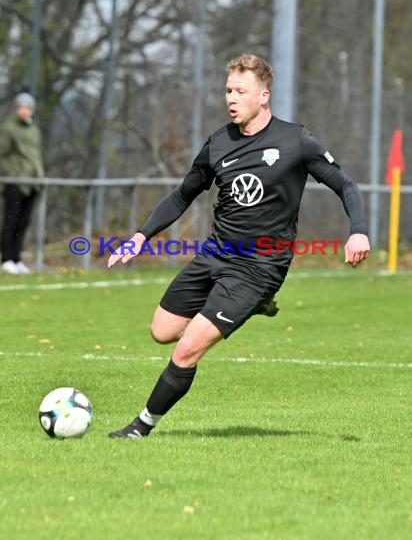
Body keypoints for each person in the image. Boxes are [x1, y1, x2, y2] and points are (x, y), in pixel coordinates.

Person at [107, 54, 370, 439]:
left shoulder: (296, 140)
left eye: (240, 91)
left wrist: (358, 230)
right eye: (228, 90)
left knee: (186, 351)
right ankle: (254, 306)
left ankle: (140, 427)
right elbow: (183, 195)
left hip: (260, 265)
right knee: (162, 331)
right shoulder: (218, 143)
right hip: (215, 254)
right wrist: (140, 237)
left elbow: (346, 185)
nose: (231, 98)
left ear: (263, 96)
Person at [0, 92, 44, 274]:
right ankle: (7, 258)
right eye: (22, 107)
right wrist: (10, 173)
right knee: (10, 220)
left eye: (28, 107)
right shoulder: (8, 128)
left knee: (23, 222)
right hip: (15, 181)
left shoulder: (34, 130)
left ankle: (17, 258)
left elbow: (36, 156)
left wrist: (39, 175)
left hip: (32, 182)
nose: (25, 111)